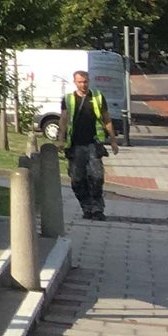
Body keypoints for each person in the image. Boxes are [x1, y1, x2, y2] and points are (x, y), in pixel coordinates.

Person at [64, 67, 111, 221]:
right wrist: (60, 139)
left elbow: (106, 118)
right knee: (77, 180)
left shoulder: (97, 97)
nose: (83, 85)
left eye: (85, 82)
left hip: (93, 143)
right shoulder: (68, 99)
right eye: (80, 82)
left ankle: (98, 209)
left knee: (97, 177)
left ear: (89, 81)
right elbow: (64, 119)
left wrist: (114, 140)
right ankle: (86, 207)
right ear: (75, 82)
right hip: (75, 145)